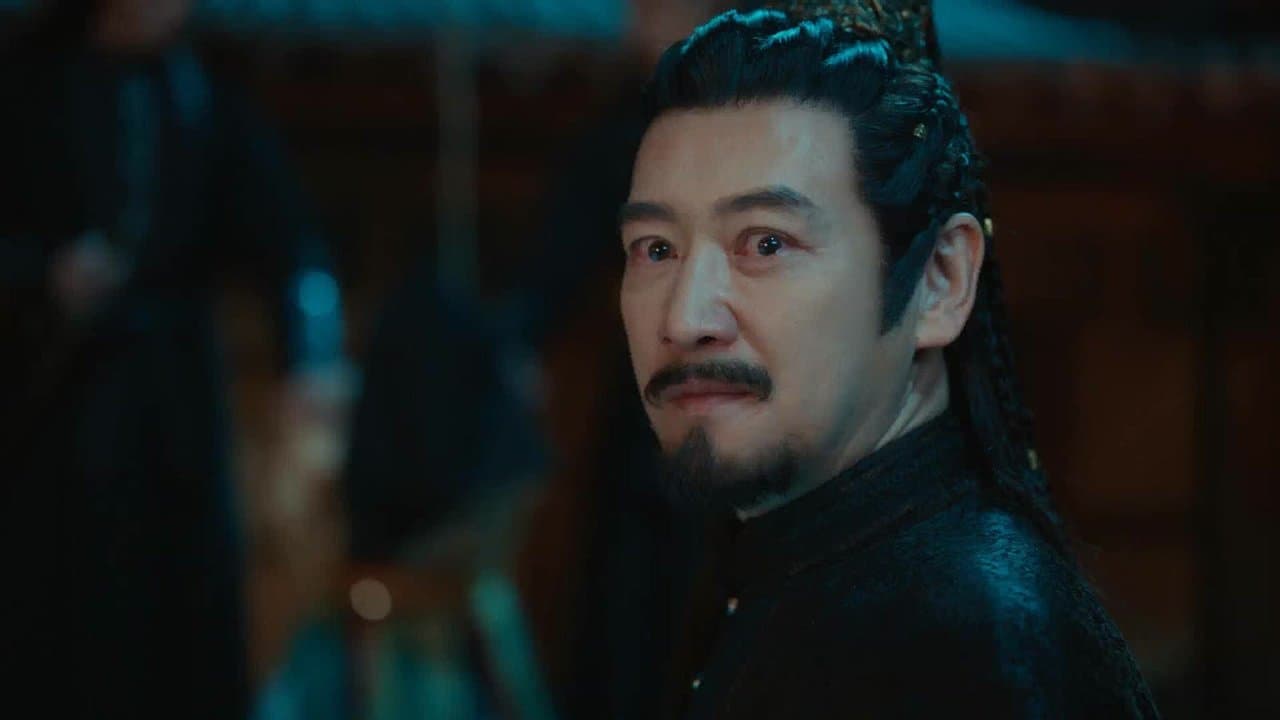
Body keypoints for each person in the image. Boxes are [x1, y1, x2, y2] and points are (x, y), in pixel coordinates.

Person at [616, 2, 1160, 717]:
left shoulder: (969, 644)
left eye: (767, 243)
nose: (685, 319)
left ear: (940, 280)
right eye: (656, 249)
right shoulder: (785, 569)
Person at [0, 1, 345, 716]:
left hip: (172, 393)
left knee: (180, 606)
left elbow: (286, 236)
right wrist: (43, 276)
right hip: (55, 400)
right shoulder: (29, 88)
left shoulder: (202, 92)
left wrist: (309, 353)